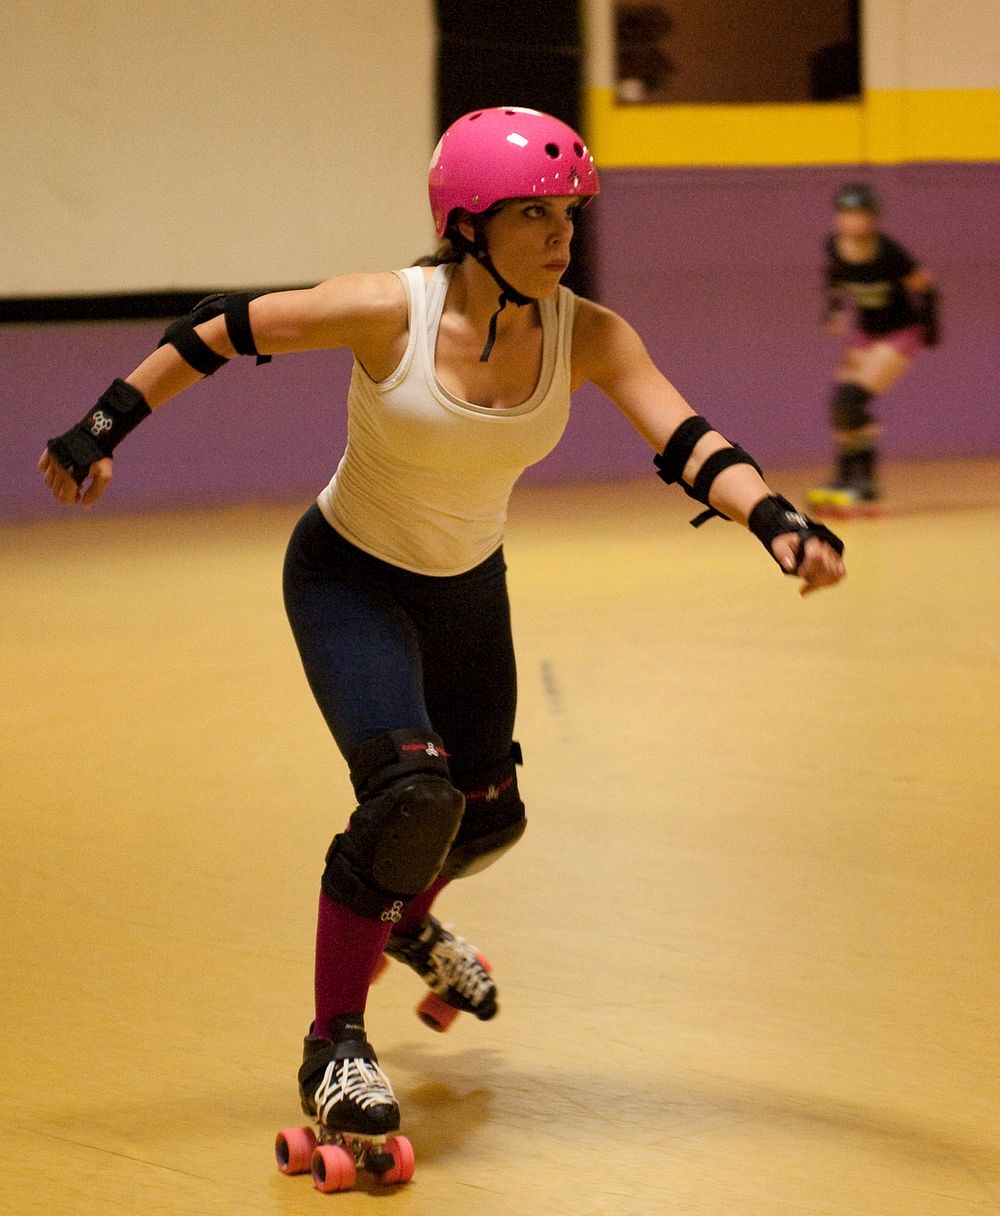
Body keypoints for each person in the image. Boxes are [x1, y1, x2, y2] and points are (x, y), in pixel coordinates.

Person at [38, 106, 845, 1151]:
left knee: (489, 816)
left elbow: (685, 435)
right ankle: (334, 1044)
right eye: (533, 215)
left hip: (467, 591)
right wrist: (102, 427)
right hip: (348, 579)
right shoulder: (390, 312)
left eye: (569, 213)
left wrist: (774, 519)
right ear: (467, 225)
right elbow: (216, 325)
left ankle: (410, 923)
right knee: (410, 797)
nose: (562, 235)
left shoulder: (588, 332)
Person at [809, 181, 939, 515]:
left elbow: (927, 287)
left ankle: (865, 483)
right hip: (867, 333)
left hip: (900, 332)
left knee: (853, 399)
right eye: (844, 213)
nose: (848, 221)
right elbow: (835, 279)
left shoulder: (889, 253)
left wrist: (931, 329)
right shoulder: (835, 246)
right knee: (841, 404)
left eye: (857, 215)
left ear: (872, 219)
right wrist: (835, 310)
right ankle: (846, 477)